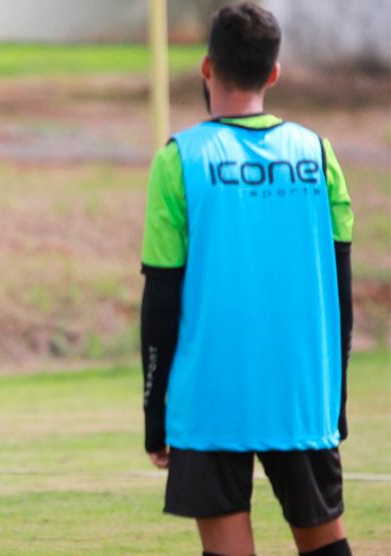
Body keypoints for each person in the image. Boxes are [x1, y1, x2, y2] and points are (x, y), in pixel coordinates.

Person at [139, 3, 354, 556]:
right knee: (325, 543)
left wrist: (155, 410)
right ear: (274, 73)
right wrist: (337, 396)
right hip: (302, 391)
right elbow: (341, 289)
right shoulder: (317, 154)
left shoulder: (180, 159)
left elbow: (161, 296)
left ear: (207, 68)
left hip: (211, 394)